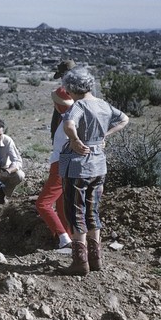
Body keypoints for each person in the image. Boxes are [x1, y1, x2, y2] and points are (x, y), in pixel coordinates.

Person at [58, 67, 129, 276]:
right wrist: (105, 135)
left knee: (75, 211)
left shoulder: (78, 106)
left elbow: (69, 124)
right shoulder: (103, 104)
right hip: (99, 165)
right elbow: (124, 119)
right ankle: (95, 258)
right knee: (93, 210)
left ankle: (80, 262)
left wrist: (75, 140)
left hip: (78, 167)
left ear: (71, 88)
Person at [35, 60, 76, 249]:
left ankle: (63, 239)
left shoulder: (69, 110)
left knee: (43, 204)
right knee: (61, 202)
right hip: (69, 158)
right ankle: (67, 235)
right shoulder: (80, 110)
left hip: (62, 159)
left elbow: (57, 95)